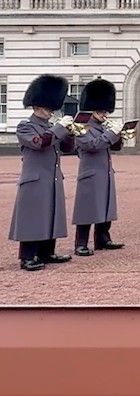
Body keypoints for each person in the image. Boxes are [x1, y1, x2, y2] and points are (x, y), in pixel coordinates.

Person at [9, 75, 75, 271]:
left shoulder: (50, 127)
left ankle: (47, 252)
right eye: (48, 108)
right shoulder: (25, 126)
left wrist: (69, 133)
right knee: (32, 217)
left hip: (52, 178)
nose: (50, 112)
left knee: (51, 214)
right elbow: (40, 143)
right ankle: (27, 256)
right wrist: (59, 128)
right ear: (37, 106)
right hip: (34, 179)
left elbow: (68, 148)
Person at [71, 78, 125, 256]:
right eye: (102, 111)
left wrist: (119, 135)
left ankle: (103, 239)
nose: (105, 114)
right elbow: (92, 145)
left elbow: (114, 147)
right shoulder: (82, 127)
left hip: (105, 172)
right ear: (93, 109)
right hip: (90, 173)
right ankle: (81, 243)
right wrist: (111, 133)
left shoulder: (102, 127)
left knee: (105, 205)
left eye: (106, 111)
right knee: (86, 210)